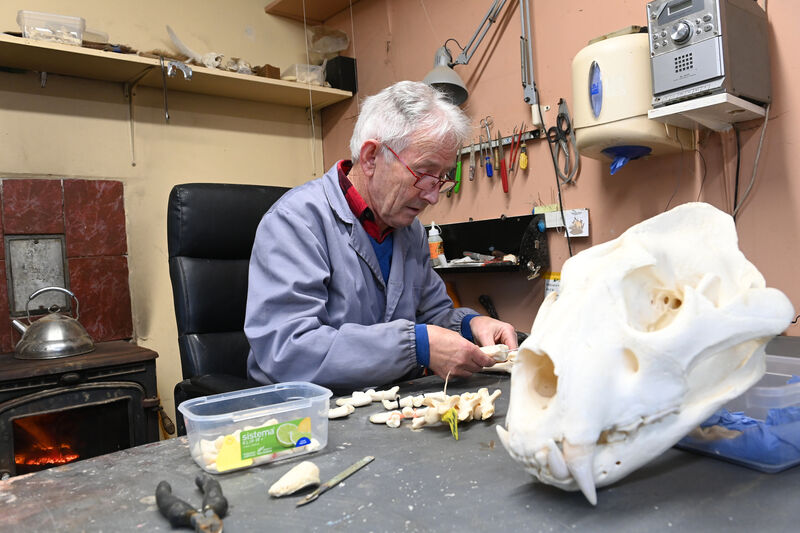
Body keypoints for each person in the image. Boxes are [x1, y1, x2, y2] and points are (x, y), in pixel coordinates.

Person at [245, 80, 518, 392]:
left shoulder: (408, 230)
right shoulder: (296, 222)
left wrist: (471, 326)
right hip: (301, 417)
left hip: (383, 402)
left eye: (442, 178)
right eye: (424, 174)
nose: (433, 197)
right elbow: (287, 351)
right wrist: (414, 345)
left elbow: (434, 316)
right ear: (372, 157)